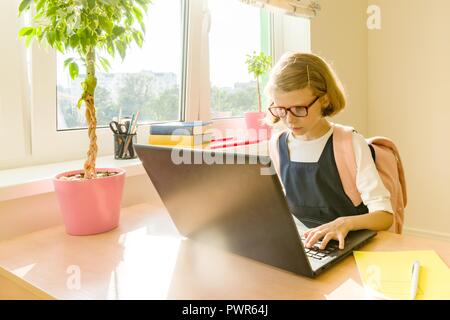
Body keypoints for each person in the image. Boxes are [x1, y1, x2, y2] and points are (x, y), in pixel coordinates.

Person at [266, 52, 393, 250]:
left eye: (299, 109)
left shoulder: (349, 143)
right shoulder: (277, 145)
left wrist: (346, 222)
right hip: (306, 247)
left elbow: (385, 217)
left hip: (351, 247)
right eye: (281, 109)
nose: (289, 120)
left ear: (324, 100)